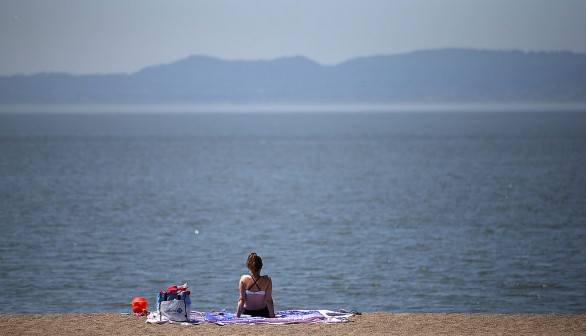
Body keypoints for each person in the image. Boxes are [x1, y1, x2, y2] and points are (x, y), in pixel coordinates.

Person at [236, 252, 275, 318]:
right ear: (261, 266)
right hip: (263, 312)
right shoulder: (267, 279)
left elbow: (242, 300)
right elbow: (268, 300)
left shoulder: (243, 278)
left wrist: (237, 316)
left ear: (248, 266)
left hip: (247, 312)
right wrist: (272, 316)